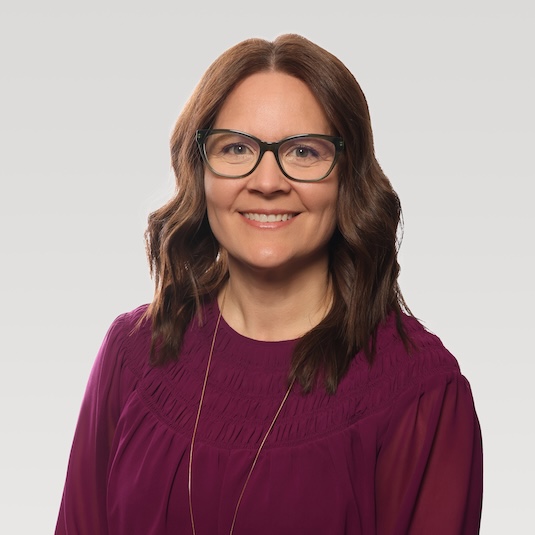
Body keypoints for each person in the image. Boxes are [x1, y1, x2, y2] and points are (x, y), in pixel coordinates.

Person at [55, 34, 483, 535]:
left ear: (348, 177)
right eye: (236, 148)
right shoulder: (131, 353)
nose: (267, 181)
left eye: (303, 151)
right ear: (201, 170)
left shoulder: (422, 392)